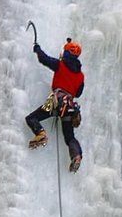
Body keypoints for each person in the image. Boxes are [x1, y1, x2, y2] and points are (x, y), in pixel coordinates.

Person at [26, 38, 85, 173]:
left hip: (56, 102)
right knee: (69, 137)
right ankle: (76, 155)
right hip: (70, 107)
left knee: (32, 118)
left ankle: (40, 134)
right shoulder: (81, 76)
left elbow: (44, 59)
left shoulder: (60, 65)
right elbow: (79, 93)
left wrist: (37, 49)